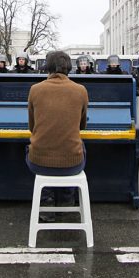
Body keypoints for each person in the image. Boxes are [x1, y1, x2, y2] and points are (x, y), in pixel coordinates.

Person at [26, 50, 88, 218]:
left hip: (38, 162)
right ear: (69, 67)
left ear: (48, 68)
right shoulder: (81, 90)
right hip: (72, 164)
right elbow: (82, 126)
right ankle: (66, 202)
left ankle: (46, 201)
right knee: (78, 147)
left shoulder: (35, 89)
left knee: (34, 148)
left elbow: (32, 127)